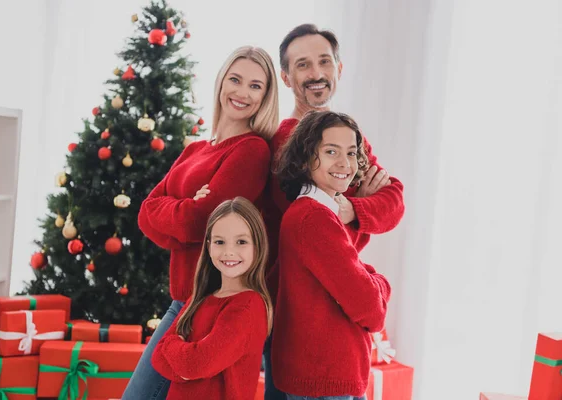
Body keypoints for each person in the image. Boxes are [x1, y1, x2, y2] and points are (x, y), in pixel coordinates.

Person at [122, 45, 279, 400]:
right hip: (182, 300)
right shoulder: (196, 150)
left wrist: (179, 214)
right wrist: (184, 211)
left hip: (210, 301)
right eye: (235, 79)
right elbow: (145, 214)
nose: (242, 92)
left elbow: (198, 225)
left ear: (266, 96)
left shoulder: (251, 150)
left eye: (256, 86)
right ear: (221, 81)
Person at [262, 24, 405, 400]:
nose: (316, 73)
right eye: (304, 64)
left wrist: (350, 208)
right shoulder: (287, 141)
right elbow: (315, 228)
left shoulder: (342, 136)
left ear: (339, 69)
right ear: (287, 77)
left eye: (325, 61)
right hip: (301, 320)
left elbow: (394, 200)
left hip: (336, 304)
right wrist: (374, 277)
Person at [272, 110, 391, 400]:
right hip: (325, 380)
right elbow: (371, 311)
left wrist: (366, 277)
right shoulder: (313, 218)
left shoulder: (316, 212)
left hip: (323, 377)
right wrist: (381, 281)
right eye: (330, 151)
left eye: (351, 153)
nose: (345, 163)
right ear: (304, 159)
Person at [151, 197, 273, 400]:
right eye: (219, 242)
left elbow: (197, 364)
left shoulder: (248, 306)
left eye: (241, 242)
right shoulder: (198, 299)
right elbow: (157, 358)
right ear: (208, 246)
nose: (229, 252)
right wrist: (188, 360)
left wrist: (172, 346)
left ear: (257, 246)